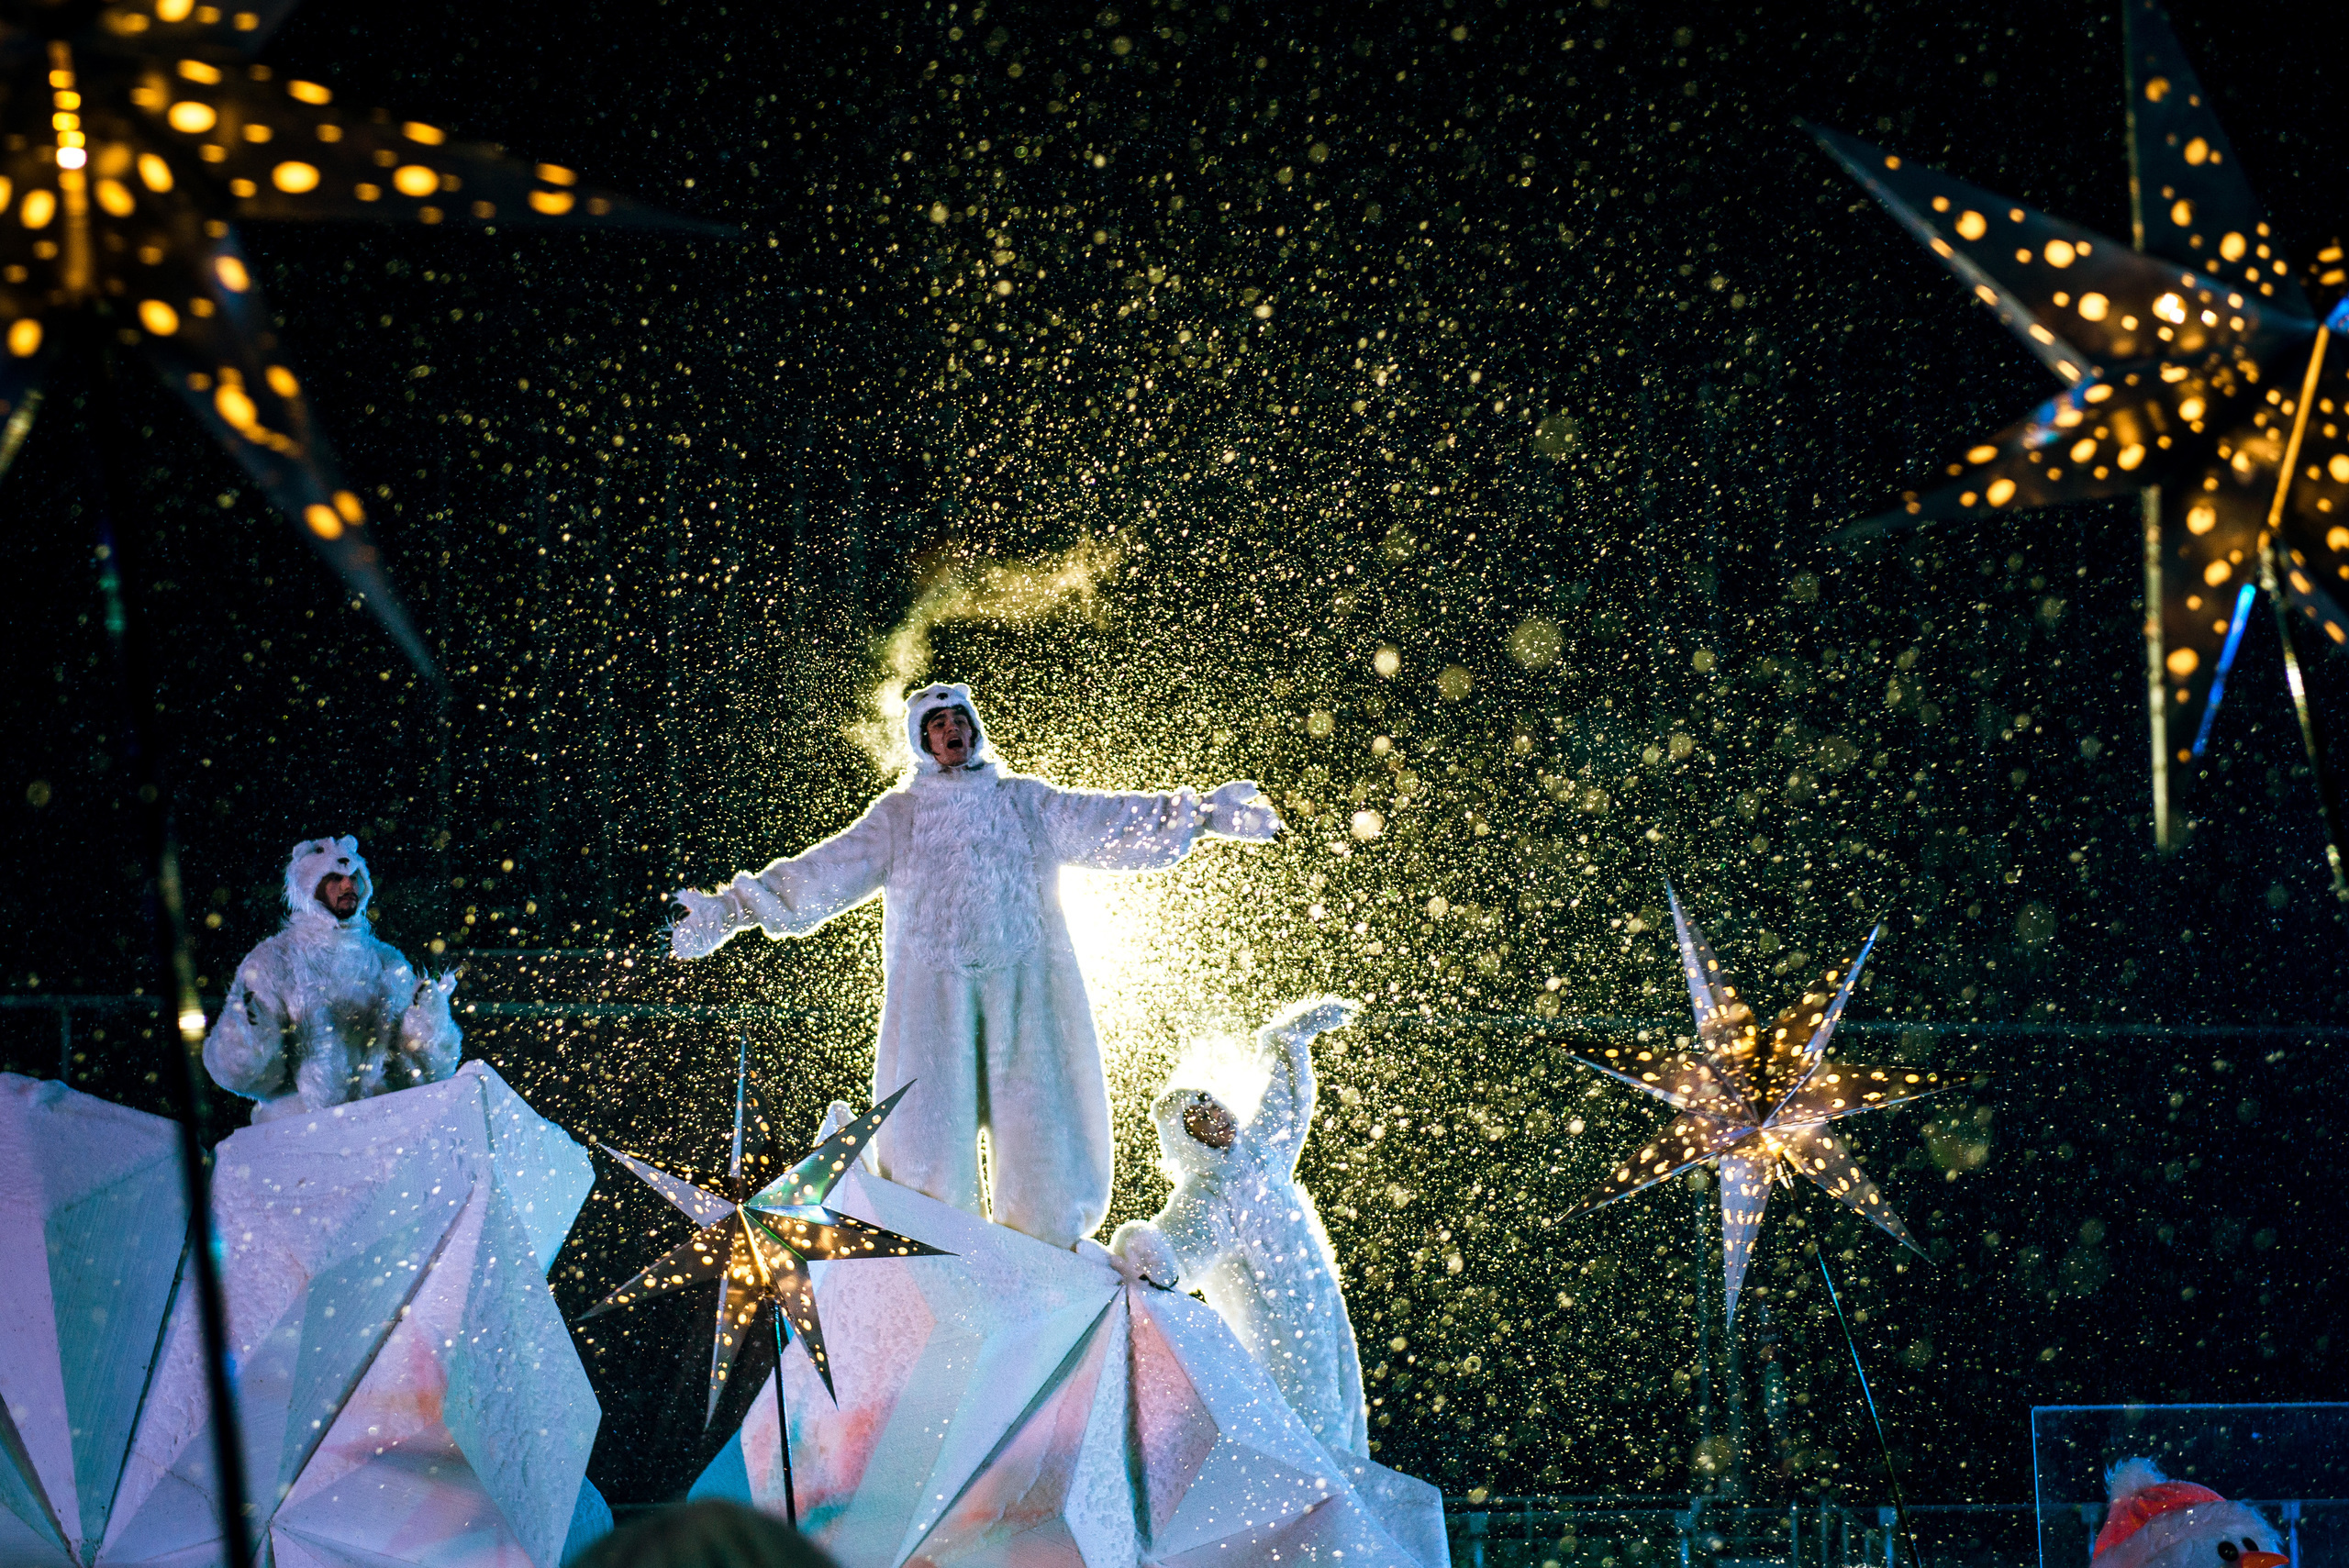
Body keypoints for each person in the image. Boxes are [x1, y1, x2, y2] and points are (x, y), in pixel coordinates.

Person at [670, 682, 1280, 1250]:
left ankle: (1047, 1264)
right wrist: (729, 909)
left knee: (1044, 1153)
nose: (951, 729)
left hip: (1026, 993)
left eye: (959, 719)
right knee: (927, 1156)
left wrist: (1199, 815)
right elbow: (825, 872)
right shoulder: (901, 816)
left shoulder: (1022, 803)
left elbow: (1104, 822)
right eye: (937, 724)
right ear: (923, 741)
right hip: (934, 1003)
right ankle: (940, 1261)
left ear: (975, 731)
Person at [1111, 996, 1369, 1457]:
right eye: (1199, 1119)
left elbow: (1285, 1106)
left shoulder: (1261, 1152)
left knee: (1344, 1403)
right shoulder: (1208, 1194)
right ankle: (1323, 1495)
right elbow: (1178, 1251)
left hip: (1319, 1307)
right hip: (1279, 1335)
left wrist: (1289, 1041)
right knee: (1308, 1424)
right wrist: (1148, 1249)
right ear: (1188, 1141)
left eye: (1211, 1104)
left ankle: (1349, 1483)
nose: (1216, 1116)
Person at [203, 835, 462, 1122]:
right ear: (309, 887)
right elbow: (239, 1075)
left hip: (380, 1130)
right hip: (295, 1134)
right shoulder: (272, 961)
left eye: (354, 877)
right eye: (335, 878)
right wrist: (248, 1035)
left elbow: (426, 1073)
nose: (348, 886)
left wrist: (428, 1020)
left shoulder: (387, 962)